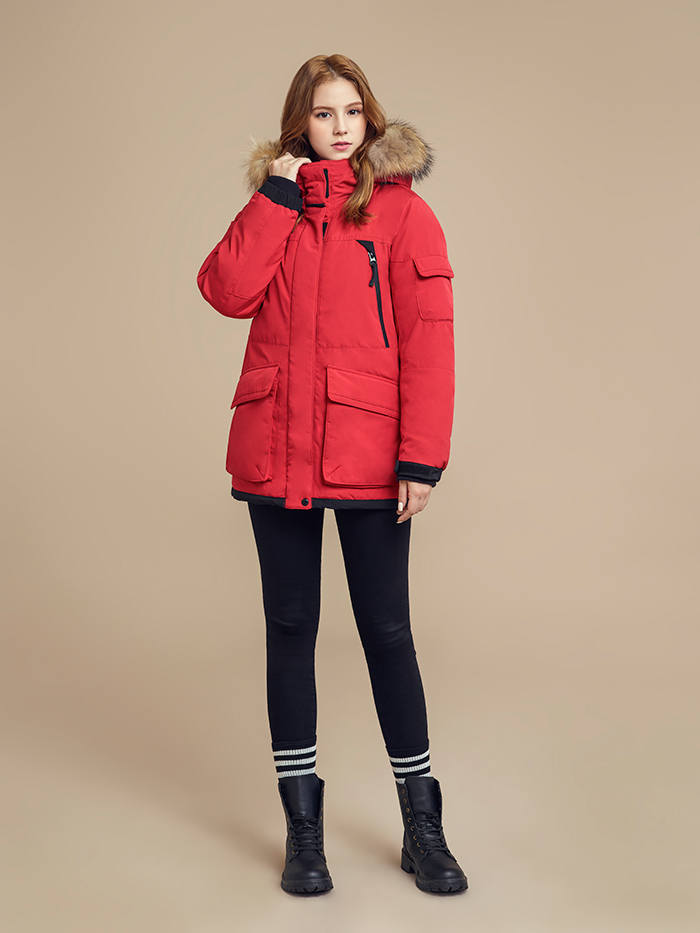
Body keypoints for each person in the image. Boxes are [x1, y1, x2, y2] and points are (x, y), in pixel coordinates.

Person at [196, 54, 467, 896]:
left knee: (387, 632)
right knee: (290, 627)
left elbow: (430, 343)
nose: (341, 127)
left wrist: (422, 456)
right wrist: (275, 199)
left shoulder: (404, 213)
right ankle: (303, 832)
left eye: (352, 111)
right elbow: (225, 290)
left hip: (371, 454)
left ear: (370, 119)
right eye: (323, 113)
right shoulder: (276, 204)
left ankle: (422, 827)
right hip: (276, 450)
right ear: (300, 126)